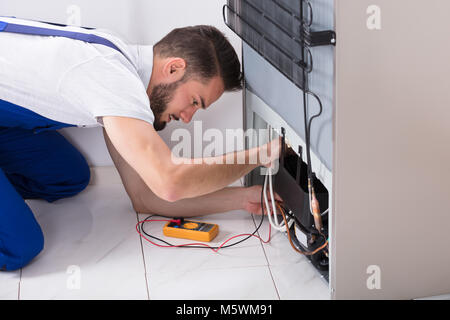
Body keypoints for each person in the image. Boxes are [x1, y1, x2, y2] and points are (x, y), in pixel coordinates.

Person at [0, 17, 281, 271]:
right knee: (20, 245)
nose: (187, 117)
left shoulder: (122, 67)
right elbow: (170, 183)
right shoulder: (113, 81)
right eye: (194, 101)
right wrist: (261, 154)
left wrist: (243, 199)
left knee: (67, 177)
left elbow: (145, 196)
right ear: (174, 68)